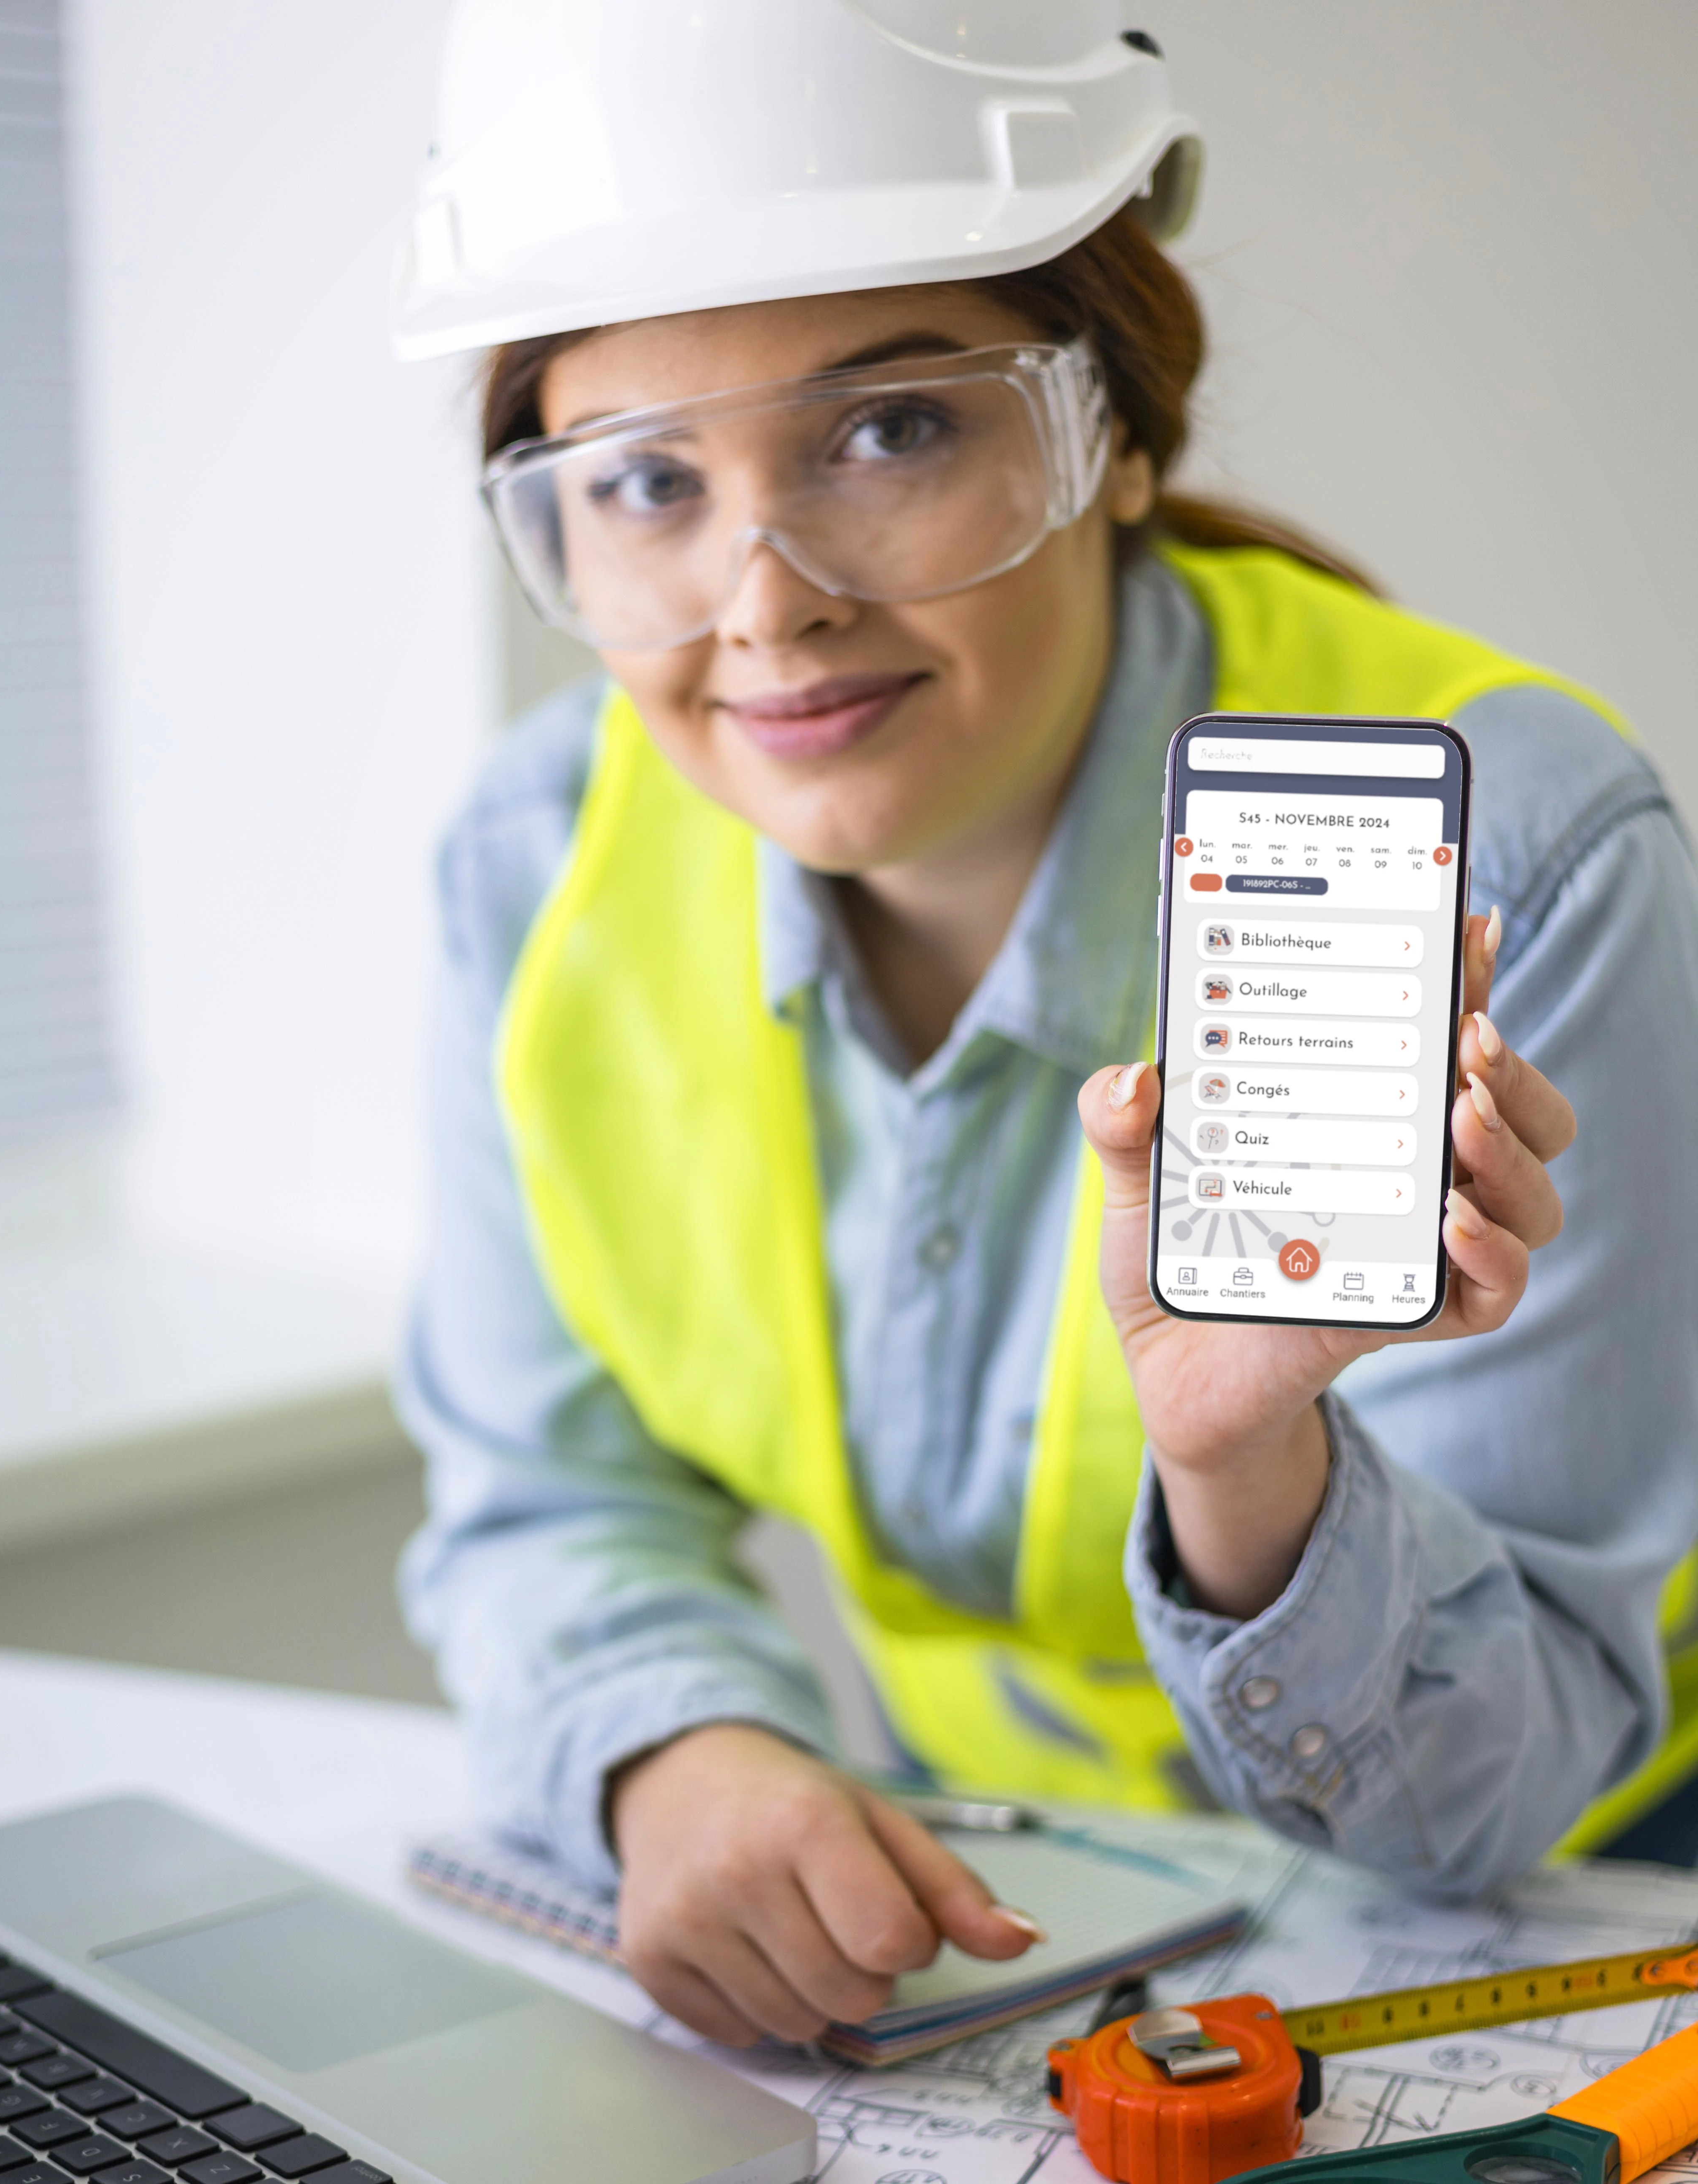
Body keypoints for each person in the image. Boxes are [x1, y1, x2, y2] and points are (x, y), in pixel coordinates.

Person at [394, 0, 1698, 2051]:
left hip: (1543, 1938)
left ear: (1117, 432)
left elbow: (1480, 1812)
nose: (765, 605)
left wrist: (1249, 1473)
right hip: (1000, 1931)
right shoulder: (532, 860)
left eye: (891, 429)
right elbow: (551, 1499)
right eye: (644, 482)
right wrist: (678, 1752)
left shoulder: (1506, 847)